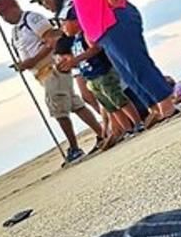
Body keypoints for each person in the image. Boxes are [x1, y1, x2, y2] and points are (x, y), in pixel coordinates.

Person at [47, 0, 178, 127]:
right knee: (126, 72)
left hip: (114, 19)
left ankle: (166, 103)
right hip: (103, 29)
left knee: (136, 63)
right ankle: (154, 107)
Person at [0, 0, 104, 162]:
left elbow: (52, 40)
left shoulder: (32, 19)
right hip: (41, 74)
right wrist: (23, 64)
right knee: (75, 104)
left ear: (13, 8)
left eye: (4, 13)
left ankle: (74, 148)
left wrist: (32, 61)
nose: (4, 18)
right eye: (0, 15)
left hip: (52, 68)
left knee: (58, 109)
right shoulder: (16, 31)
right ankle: (102, 133)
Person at [55, 8, 144, 145]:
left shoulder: (86, 34)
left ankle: (137, 123)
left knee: (118, 99)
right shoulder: (74, 42)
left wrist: (77, 59)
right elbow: (81, 61)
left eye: (64, 23)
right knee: (110, 106)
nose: (62, 28)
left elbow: (95, 49)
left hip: (103, 73)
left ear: (75, 21)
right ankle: (128, 129)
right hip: (91, 78)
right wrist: (69, 64)